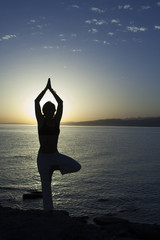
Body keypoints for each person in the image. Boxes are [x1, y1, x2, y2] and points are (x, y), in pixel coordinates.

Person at [35, 78, 81, 211]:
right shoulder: (41, 121)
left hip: (55, 156)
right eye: (48, 109)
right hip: (43, 158)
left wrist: (52, 91)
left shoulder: (56, 121)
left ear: (54, 111)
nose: (50, 111)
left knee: (76, 166)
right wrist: (45, 90)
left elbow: (60, 102)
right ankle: (48, 213)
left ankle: (55, 167)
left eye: (52, 109)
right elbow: (36, 101)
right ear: (44, 111)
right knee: (46, 186)